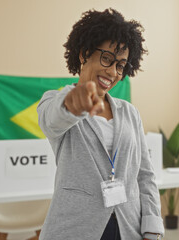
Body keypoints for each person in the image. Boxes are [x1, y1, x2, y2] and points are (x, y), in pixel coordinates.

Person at [37, 8, 164, 240]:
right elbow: (52, 120)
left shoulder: (130, 113)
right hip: (76, 227)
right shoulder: (57, 102)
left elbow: (145, 175)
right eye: (107, 58)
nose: (113, 71)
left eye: (121, 65)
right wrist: (73, 101)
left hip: (129, 227)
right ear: (85, 53)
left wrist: (152, 228)